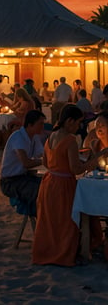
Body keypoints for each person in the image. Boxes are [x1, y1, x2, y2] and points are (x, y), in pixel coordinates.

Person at [32, 105, 108, 266]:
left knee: (50, 222)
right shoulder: (70, 140)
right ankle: (64, 254)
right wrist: (96, 159)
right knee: (66, 222)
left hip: (48, 182)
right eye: (77, 123)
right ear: (69, 121)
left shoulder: (51, 136)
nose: (79, 127)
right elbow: (76, 169)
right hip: (63, 185)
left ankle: (48, 252)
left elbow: (45, 162)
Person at [0, 110, 46, 216]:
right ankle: (40, 219)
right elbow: (26, 163)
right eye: (40, 124)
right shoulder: (18, 137)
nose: (43, 127)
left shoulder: (34, 137)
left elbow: (42, 153)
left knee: (48, 185)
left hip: (24, 177)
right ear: (30, 125)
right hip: (10, 181)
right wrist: (43, 161)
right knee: (39, 192)